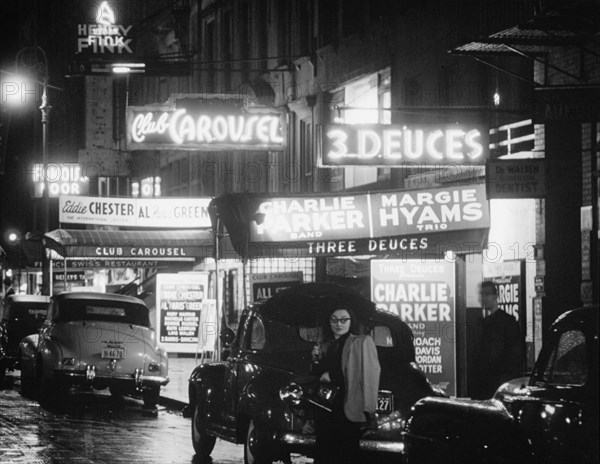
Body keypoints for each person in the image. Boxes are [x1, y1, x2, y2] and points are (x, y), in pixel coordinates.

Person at [311, 308, 381, 464]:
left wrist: (332, 376)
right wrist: (316, 359)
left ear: (351, 322)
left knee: (346, 452)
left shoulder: (359, 342)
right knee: (324, 452)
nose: (338, 324)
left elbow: (360, 373)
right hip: (326, 408)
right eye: (334, 320)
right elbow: (317, 374)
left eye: (344, 320)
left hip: (346, 406)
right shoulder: (327, 345)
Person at [472, 281, 522, 399]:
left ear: (495, 296)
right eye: (482, 294)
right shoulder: (502, 321)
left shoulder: (496, 323)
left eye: (487, 294)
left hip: (495, 381)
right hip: (494, 381)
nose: (483, 298)